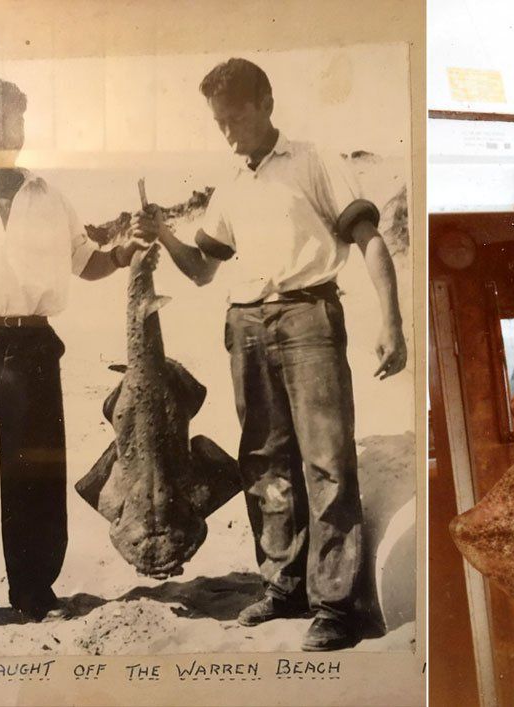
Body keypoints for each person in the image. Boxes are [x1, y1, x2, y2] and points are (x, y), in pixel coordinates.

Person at [131, 58, 406, 651]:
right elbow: (203, 270)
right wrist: (165, 234)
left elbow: (370, 240)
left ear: (266, 105)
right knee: (262, 459)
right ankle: (283, 586)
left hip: (309, 318)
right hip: (245, 325)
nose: (228, 133)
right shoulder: (230, 181)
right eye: (219, 123)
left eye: (236, 118)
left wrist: (392, 320)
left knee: (327, 461)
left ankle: (334, 605)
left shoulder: (313, 160)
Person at [0, 76, 150, 623]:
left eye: (18, 120)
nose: (10, 131)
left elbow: (88, 262)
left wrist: (124, 252)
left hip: (34, 344)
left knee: (33, 472)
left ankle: (33, 593)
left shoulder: (49, 195)